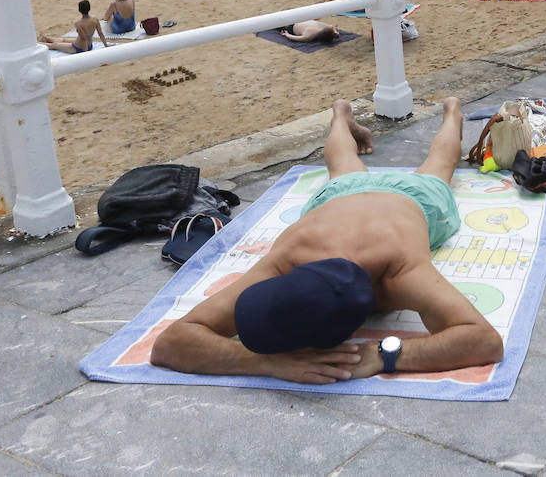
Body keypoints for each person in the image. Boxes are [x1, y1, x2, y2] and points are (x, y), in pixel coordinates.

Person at [150, 98, 503, 382]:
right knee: (430, 165)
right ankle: (360, 114)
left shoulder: (399, 272)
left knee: (409, 166)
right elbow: (171, 343)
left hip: (407, 202)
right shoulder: (288, 261)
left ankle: (445, 111)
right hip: (344, 203)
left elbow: (484, 341)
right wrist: (263, 363)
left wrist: (383, 355)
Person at [39, 0, 109, 54]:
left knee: (55, 45)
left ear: (79, 10)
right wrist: (106, 45)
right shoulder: (95, 19)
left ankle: (38, 44)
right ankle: (47, 38)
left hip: (78, 47)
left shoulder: (78, 23)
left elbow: (83, 38)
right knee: (64, 40)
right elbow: (100, 33)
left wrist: (85, 53)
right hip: (89, 45)